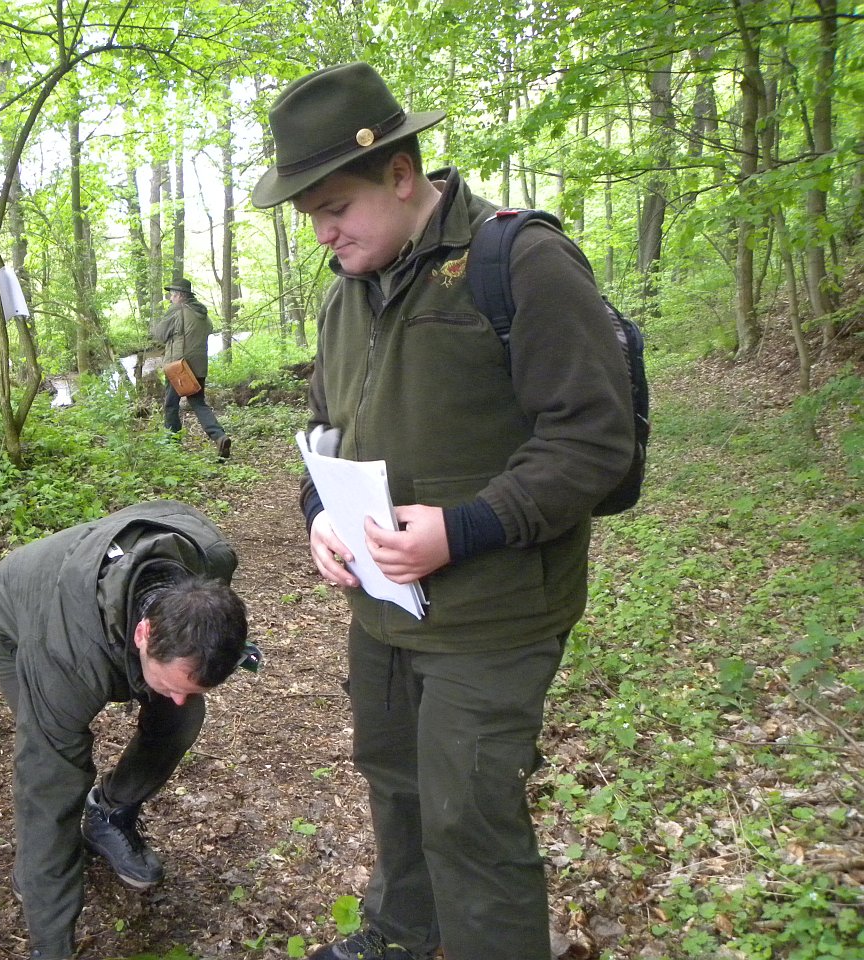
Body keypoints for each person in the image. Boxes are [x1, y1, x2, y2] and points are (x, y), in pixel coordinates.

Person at [251, 63, 636, 960]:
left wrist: (457, 531)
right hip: (384, 608)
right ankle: (400, 934)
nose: (322, 232)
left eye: (334, 207)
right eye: (308, 215)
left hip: (495, 613)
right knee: (395, 781)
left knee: (470, 815)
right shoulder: (345, 296)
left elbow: (593, 439)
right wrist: (318, 512)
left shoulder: (520, 261)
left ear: (399, 172)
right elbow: (326, 431)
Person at [0, 500, 252, 960]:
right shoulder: (66, 659)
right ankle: (40, 874)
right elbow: (48, 787)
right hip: (15, 617)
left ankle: (109, 812)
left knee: (181, 716)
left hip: (97, 596)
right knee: (52, 770)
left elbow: (161, 510)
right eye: (170, 683)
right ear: (143, 634)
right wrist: (51, 949)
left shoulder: (210, 560)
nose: (178, 694)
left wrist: (174, 687)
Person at [150, 278, 232, 459]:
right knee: (199, 403)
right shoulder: (203, 314)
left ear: (180, 295)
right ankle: (220, 437)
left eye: (172, 295)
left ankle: (172, 446)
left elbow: (159, 334)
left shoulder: (177, 311)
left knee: (171, 405)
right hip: (199, 367)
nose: (171, 299)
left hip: (179, 368)